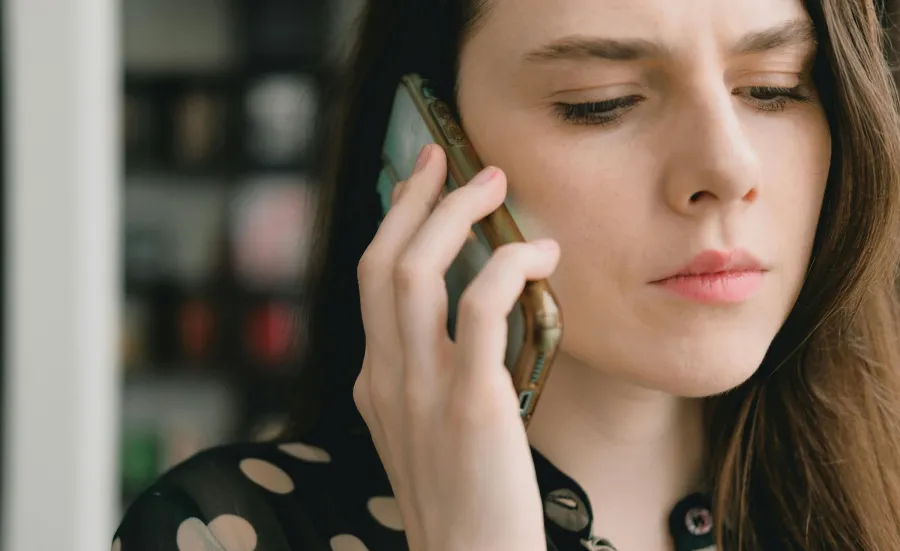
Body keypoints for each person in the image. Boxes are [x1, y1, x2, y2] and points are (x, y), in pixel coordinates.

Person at [112, 0, 900, 550]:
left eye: (776, 87)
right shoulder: (222, 530)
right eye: (603, 102)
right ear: (429, 140)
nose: (729, 167)